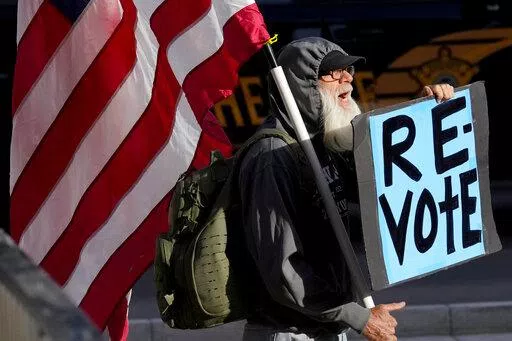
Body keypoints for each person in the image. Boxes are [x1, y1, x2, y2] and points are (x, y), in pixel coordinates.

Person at [237, 37, 454, 341]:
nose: (348, 79)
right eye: (332, 73)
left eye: (348, 70)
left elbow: (389, 183)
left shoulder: (324, 142)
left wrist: (421, 114)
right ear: (302, 85)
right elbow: (283, 271)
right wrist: (360, 317)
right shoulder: (272, 156)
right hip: (289, 334)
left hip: (325, 328)